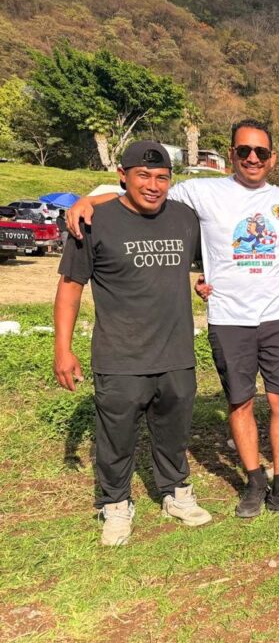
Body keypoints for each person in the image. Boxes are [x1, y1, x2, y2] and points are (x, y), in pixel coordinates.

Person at [67, 119, 279, 519]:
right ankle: (254, 482)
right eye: (244, 150)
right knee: (240, 401)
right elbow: (142, 191)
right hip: (229, 317)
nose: (252, 158)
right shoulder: (202, 191)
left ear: (272, 158)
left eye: (260, 152)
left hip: (276, 316)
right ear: (232, 154)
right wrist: (88, 201)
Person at [53, 141, 211, 546]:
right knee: (116, 438)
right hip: (120, 354)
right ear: (122, 175)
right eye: (143, 175)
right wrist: (62, 349)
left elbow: (206, 263)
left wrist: (203, 282)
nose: (153, 185)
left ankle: (175, 492)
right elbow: (70, 287)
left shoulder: (184, 218)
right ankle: (115, 504)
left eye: (162, 177)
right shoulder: (94, 221)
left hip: (176, 351)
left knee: (174, 430)